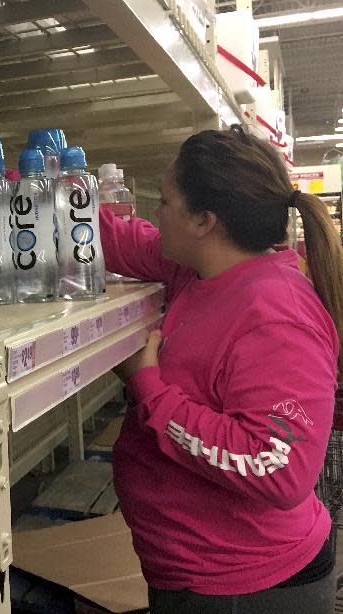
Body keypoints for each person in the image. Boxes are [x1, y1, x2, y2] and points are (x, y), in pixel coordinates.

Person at [105, 126, 342, 614]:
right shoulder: (198, 267)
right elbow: (129, 242)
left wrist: (148, 387)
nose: (156, 212)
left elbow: (279, 469)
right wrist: (56, 212)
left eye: (166, 202)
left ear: (203, 221)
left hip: (249, 589)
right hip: (200, 571)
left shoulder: (275, 315)